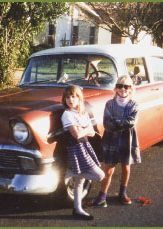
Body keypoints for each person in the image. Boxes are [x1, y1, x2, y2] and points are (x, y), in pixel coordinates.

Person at [93, 75, 141, 207]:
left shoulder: (134, 104)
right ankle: (102, 196)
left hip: (127, 139)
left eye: (126, 86)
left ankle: (122, 193)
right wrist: (120, 122)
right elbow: (107, 123)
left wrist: (116, 121)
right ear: (116, 88)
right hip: (111, 139)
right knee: (108, 169)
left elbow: (131, 122)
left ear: (131, 89)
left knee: (126, 167)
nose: (123, 89)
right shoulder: (109, 104)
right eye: (120, 86)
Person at [61, 85, 105, 220]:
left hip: (85, 146)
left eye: (73, 96)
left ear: (79, 98)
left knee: (80, 181)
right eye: (67, 97)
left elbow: (91, 133)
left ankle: (77, 209)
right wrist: (85, 129)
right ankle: (69, 173)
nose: (70, 99)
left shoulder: (82, 113)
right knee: (100, 176)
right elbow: (77, 134)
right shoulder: (67, 114)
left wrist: (85, 130)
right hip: (75, 149)